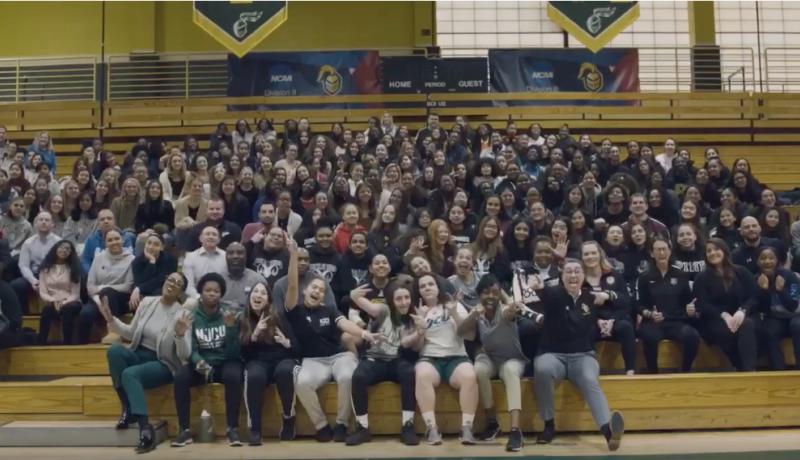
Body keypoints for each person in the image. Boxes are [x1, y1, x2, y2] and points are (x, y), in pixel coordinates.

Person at [284, 232, 379, 443]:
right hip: (312, 361)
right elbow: (291, 285)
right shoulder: (295, 310)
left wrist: (363, 332)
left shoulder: (329, 309)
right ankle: (321, 426)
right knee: (301, 382)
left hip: (338, 357)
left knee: (347, 377)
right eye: (314, 287)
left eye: (322, 289)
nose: (318, 290)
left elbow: (344, 323)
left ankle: (342, 424)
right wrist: (292, 255)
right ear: (305, 290)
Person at [528, 260, 625, 450]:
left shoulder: (591, 298)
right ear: (562, 277)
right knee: (542, 369)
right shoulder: (554, 294)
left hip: (583, 355)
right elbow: (542, 293)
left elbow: (625, 302)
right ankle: (548, 425)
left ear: (584, 276)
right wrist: (538, 287)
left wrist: (608, 295)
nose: (573, 275)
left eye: (577, 271)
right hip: (552, 354)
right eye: (569, 272)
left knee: (590, 380)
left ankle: (608, 432)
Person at [102, 273, 191, 453]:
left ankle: (145, 429)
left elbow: (185, 354)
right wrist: (111, 320)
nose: (172, 284)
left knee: (130, 374)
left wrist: (181, 336)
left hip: (162, 363)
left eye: (178, 284)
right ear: (164, 281)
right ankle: (127, 409)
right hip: (138, 353)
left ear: (181, 292)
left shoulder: (183, 314)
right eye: (170, 280)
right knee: (114, 351)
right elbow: (131, 332)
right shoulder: (148, 302)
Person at [345, 259, 419, 446]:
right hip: (375, 359)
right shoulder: (384, 310)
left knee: (409, 373)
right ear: (392, 301)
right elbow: (367, 306)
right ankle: (362, 428)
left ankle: (408, 426)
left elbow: (412, 346)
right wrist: (354, 296)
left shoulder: (414, 316)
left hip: (397, 360)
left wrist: (420, 332)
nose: (403, 302)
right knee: (359, 376)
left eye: (406, 298)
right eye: (399, 298)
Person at [171, 273, 245, 447]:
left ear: (221, 294)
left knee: (234, 375)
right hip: (201, 363)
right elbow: (191, 349)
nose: (212, 293)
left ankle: (232, 429)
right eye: (208, 290)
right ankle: (184, 430)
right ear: (200, 293)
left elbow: (234, 353)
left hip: (225, 362)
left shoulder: (230, 313)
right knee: (181, 376)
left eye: (216, 291)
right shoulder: (192, 315)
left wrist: (231, 330)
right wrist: (199, 363)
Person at [407, 273, 479, 445]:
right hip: (430, 358)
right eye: (423, 286)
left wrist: (454, 312)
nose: (427, 288)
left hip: (457, 357)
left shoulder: (454, 305)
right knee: (422, 374)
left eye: (431, 284)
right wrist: (421, 328)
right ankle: (432, 429)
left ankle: (467, 429)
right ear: (419, 292)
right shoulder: (417, 312)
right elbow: (416, 347)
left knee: (469, 376)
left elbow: (469, 335)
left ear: (438, 287)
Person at [470, 274, 527, 451]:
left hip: (513, 359)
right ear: (479, 295)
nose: (491, 296)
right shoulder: (477, 313)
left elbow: (510, 312)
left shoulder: (504, 311)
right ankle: (492, 422)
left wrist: (512, 306)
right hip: (490, 358)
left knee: (510, 371)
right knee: (478, 369)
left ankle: (516, 431)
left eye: (495, 293)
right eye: (486, 293)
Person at [240, 280, 298, 445]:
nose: (258, 295)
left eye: (263, 293)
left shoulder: (278, 316)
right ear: (250, 297)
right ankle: (255, 429)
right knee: (254, 376)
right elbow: (244, 355)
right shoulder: (244, 319)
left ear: (268, 300)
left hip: (282, 358)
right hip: (258, 361)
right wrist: (255, 335)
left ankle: (288, 418)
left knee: (285, 372)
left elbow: (296, 347)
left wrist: (286, 342)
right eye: (255, 292)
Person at [636, 237, 700, 373]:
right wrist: (650, 314)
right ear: (652, 253)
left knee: (692, 336)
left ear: (670, 251)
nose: (661, 252)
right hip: (653, 322)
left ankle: (685, 370)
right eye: (658, 250)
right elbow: (639, 306)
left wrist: (690, 309)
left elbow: (688, 301)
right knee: (649, 337)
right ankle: (653, 373)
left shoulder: (681, 274)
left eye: (664, 249)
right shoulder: (644, 277)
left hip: (676, 321)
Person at [695, 238, 759, 372]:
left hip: (742, 315)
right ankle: (739, 366)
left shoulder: (741, 271)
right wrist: (723, 315)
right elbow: (703, 304)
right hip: (715, 318)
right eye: (709, 251)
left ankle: (749, 371)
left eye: (716, 249)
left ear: (724, 250)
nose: (712, 253)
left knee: (747, 324)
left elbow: (754, 296)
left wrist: (743, 311)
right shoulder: (701, 277)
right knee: (724, 331)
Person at [581, 241, 637, 375]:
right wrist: (598, 321)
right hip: (592, 321)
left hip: (615, 320)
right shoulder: (579, 278)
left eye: (593, 253)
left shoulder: (614, 275)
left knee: (626, 327)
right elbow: (579, 307)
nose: (590, 256)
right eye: (586, 254)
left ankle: (630, 370)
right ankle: (589, 372)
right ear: (582, 257)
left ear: (600, 254)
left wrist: (609, 295)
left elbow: (626, 302)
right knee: (585, 331)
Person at [80, 229, 135, 344]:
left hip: (120, 300)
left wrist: (102, 288)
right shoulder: (99, 257)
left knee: (108, 292)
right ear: (105, 243)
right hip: (98, 299)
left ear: (122, 240)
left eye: (116, 239)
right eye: (110, 240)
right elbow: (90, 284)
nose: (114, 242)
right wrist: (98, 299)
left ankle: (113, 333)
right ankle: (82, 346)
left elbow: (128, 286)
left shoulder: (131, 259)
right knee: (85, 313)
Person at [755, 246, 800, 370]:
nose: (767, 261)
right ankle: (778, 370)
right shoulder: (757, 279)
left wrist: (781, 291)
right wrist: (763, 291)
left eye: (771, 258)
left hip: (795, 315)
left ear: (777, 260)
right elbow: (763, 309)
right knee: (769, 330)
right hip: (775, 317)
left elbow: (793, 306)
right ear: (758, 261)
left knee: (798, 326)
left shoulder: (789, 276)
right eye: (763, 258)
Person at [12, 212, 61, 314]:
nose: (44, 222)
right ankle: (24, 319)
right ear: (36, 224)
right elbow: (23, 265)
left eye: (47, 220)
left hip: (53, 275)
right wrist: (33, 281)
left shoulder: (59, 242)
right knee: (16, 285)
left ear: (52, 224)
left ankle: (55, 319)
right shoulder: (28, 243)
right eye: (41, 220)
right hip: (34, 275)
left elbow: (62, 265)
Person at [36, 240, 81, 344]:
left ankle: (67, 344)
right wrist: (53, 300)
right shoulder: (45, 268)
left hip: (70, 301)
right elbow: (43, 292)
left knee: (68, 309)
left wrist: (63, 302)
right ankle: (40, 343)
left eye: (67, 249)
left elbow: (75, 294)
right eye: (61, 247)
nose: (64, 250)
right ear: (55, 249)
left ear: (71, 253)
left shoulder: (74, 268)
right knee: (46, 310)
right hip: (53, 301)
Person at [129, 233, 178, 311]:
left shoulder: (170, 260)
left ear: (162, 247)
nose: (151, 247)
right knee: (137, 296)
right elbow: (139, 281)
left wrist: (139, 288)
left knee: (157, 292)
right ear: (145, 245)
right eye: (149, 243)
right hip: (144, 290)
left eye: (156, 244)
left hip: (161, 289)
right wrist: (152, 262)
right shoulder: (137, 261)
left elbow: (161, 279)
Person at [182, 226, 227, 308]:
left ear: (219, 240)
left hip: (221, 297)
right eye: (207, 234)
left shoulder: (226, 256)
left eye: (214, 234)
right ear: (200, 238)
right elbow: (188, 285)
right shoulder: (191, 257)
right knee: (190, 303)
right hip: (198, 298)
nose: (211, 236)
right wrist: (200, 298)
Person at [80, 209, 136, 275]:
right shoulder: (91, 240)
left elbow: (128, 260)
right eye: (102, 219)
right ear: (98, 223)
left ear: (114, 221)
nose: (106, 221)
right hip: (97, 275)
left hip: (120, 274)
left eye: (109, 218)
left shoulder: (125, 238)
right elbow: (85, 260)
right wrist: (91, 273)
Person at [221, 242, 266, 310]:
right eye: (231, 253)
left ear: (246, 256)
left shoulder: (258, 280)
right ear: (226, 257)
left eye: (239, 253)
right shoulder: (217, 280)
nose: (235, 256)